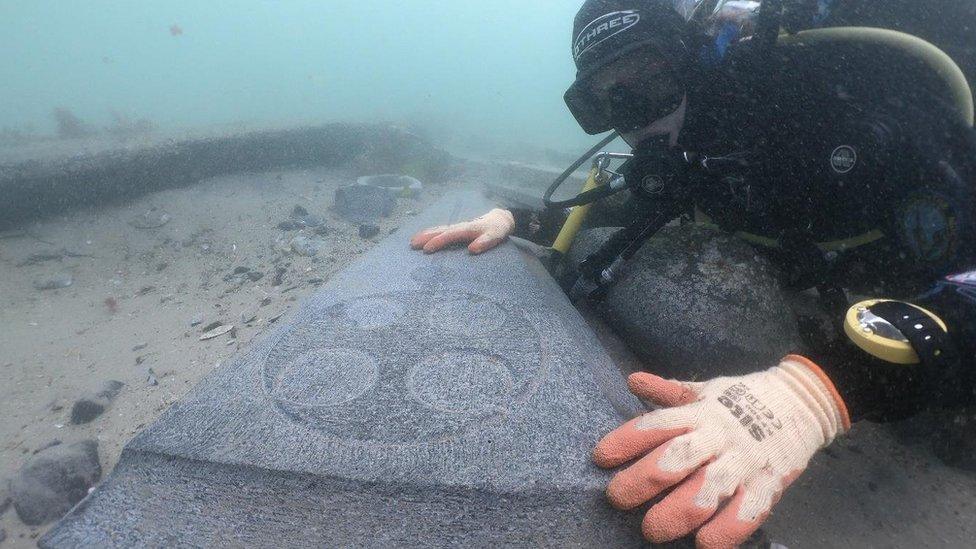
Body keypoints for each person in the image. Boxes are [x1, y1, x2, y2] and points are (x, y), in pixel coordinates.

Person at [412, 1, 976, 547]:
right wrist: (518, 218)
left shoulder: (841, 108)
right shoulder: (694, 146)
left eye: (650, 81)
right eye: (609, 99)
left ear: (693, 59)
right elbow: (636, 206)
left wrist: (824, 391)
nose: (636, 117)